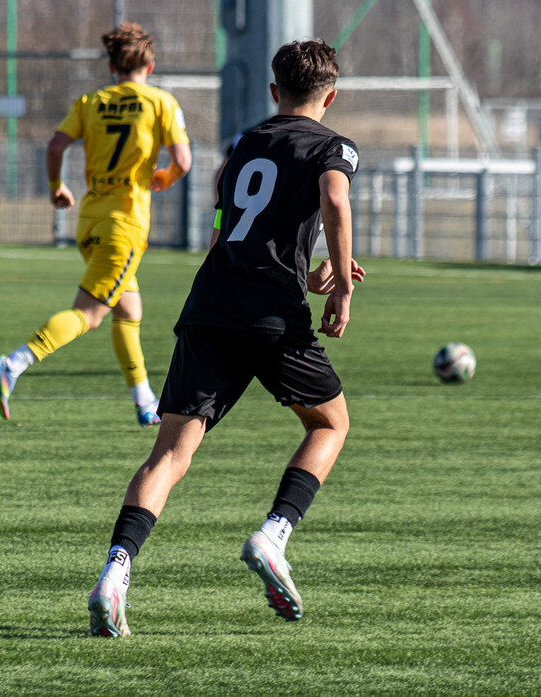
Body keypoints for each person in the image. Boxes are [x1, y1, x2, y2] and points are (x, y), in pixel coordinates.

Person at [86, 39, 364, 637]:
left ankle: (115, 572)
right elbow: (335, 198)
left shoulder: (243, 145)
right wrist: (340, 285)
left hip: (211, 305)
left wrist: (304, 273)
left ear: (274, 92)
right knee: (330, 424)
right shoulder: (333, 146)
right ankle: (273, 535)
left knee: (168, 455)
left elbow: (226, 233)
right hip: (271, 316)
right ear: (331, 96)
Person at [0, 22, 191, 427]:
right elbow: (183, 162)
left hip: (90, 220)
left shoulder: (90, 101)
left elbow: (55, 145)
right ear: (149, 66)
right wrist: (165, 177)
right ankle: (14, 363)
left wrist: (56, 186)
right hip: (126, 225)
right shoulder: (159, 102)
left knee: (128, 308)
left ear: (111, 66)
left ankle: (144, 400)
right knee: (90, 313)